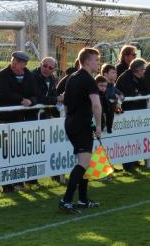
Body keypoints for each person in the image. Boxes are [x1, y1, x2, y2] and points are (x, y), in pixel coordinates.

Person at [59, 48, 102, 213]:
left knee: (85, 162)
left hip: (72, 121)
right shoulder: (88, 80)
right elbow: (96, 105)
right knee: (83, 163)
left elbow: (66, 101)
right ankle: (66, 200)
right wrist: (98, 125)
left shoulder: (72, 77)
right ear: (87, 61)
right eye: (96, 60)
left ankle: (83, 199)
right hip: (80, 124)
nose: (98, 63)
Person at [115, 58, 150, 170]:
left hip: (136, 112)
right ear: (138, 70)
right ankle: (128, 164)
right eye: (143, 69)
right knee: (128, 139)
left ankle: (134, 161)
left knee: (136, 138)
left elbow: (145, 90)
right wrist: (137, 94)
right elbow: (129, 95)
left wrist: (138, 93)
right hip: (127, 113)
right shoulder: (125, 78)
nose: (145, 71)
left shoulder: (140, 78)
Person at [0, 51, 37, 123]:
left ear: (25, 64)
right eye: (13, 59)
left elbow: (35, 94)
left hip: (23, 117)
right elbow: (3, 93)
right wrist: (21, 99)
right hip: (4, 117)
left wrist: (31, 101)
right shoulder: (3, 74)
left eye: (19, 61)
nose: (15, 62)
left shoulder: (30, 76)